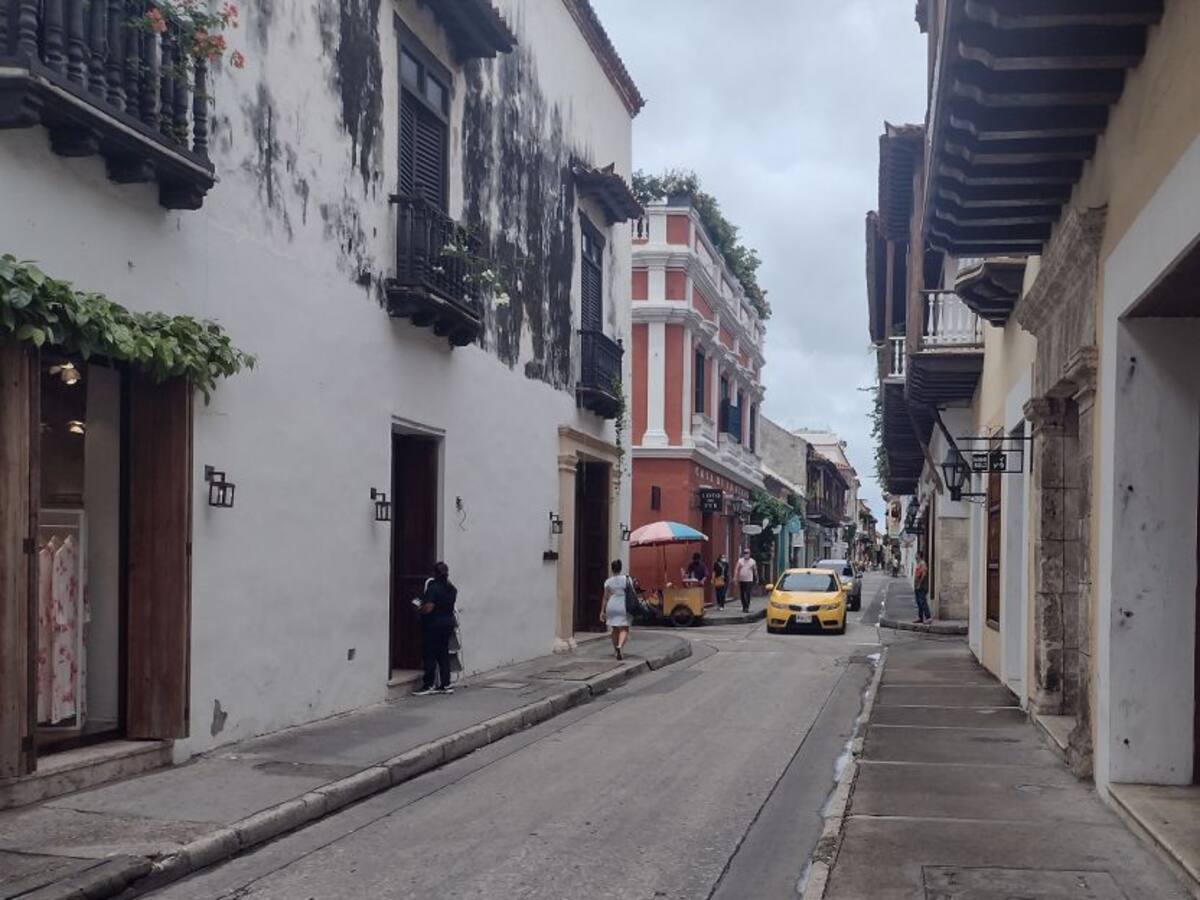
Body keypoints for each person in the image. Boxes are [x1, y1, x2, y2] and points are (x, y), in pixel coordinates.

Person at [414, 561, 457, 696]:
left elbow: (429, 607)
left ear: (435, 573)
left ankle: (429, 685)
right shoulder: (451, 588)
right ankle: (446, 684)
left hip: (434, 625)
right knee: (443, 654)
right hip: (448, 623)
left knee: (430, 654)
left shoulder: (434, 587)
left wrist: (419, 608)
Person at [599, 559, 632, 660]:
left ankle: (615, 650)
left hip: (612, 605)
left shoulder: (608, 581)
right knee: (624, 628)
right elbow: (632, 592)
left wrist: (602, 611)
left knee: (614, 628)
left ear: (612, 569)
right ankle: (620, 646)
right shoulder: (627, 579)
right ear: (620, 568)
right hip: (623, 604)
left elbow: (605, 597)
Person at [734, 548, 757, 613]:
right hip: (741, 579)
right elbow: (736, 569)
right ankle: (744, 606)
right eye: (745, 553)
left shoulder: (752, 561)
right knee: (742, 593)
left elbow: (755, 570)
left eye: (747, 553)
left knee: (747, 593)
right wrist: (735, 577)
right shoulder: (740, 560)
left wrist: (756, 578)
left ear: (749, 554)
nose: (746, 554)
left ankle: (747, 607)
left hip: (749, 580)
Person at [913, 551, 931, 624]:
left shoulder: (922, 563)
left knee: (923, 602)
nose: (915, 556)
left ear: (919, 555)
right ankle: (920, 617)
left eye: (916, 555)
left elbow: (923, 574)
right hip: (917, 586)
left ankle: (928, 617)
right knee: (919, 602)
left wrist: (920, 583)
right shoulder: (918, 564)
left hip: (921, 586)